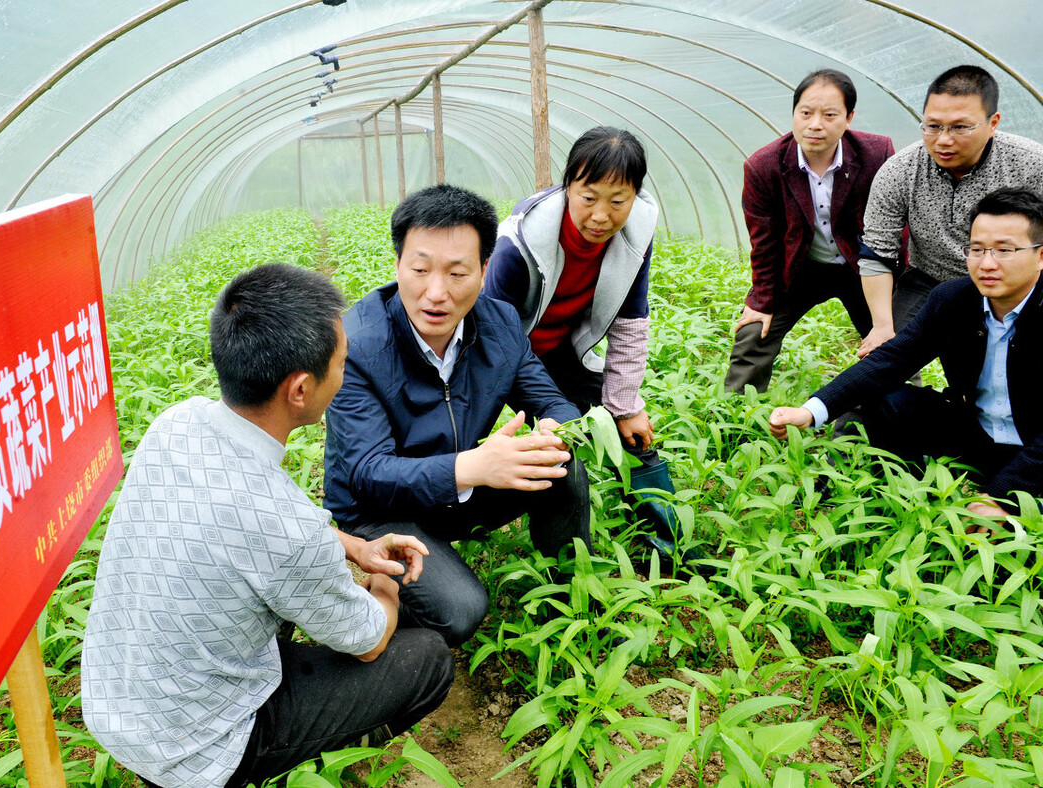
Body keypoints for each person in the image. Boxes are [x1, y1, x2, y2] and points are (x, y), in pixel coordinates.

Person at [81, 264, 453, 788]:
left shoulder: (177, 422)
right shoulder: (289, 532)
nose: (346, 374)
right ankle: (327, 755)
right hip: (199, 749)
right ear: (300, 389)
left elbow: (259, 527)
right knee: (427, 658)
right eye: (342, 363)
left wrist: (354, 546)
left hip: (117, 699)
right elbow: (368, 641)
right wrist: (384, 582)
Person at [324, 184, 589, 647]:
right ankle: (381, 589)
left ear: (485, 271)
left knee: (561, 466)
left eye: (457, 273)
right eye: (420, 269)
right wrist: (473, 467)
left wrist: (554, 429)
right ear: (398, 265)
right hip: (383, 510)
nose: (436, 293)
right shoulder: (357, 345)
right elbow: (366, 474)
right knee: (462, 611)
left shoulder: (500, 324)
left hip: (461, 488)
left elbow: (553, 402)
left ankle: (568, 603)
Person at [482, 126, 695, 565]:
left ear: (635, 196)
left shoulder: (637, 230)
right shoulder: (519, 242)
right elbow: (489, 333)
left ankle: (669, 546)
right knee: (546, 450)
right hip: (506, 353)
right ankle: (565, 565)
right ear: (567, 188)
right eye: (589, 197)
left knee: (635, 435)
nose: (601, 215)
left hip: (564, 347)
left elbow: (631, 322)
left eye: (618, 201)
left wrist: (624, 404)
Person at [768, 187, 1043, 523]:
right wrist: (811, 412)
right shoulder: (953, 299)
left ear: (1040, 256)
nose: (987, 263)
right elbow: (891, 360)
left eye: (1005, 250)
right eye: (977, 249)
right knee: (886, 396)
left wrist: (1002, 494)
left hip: (1035, 444)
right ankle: (911, 502)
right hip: (978, 433)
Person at [724, 69, 895, 393]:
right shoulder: (764, 166)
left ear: (848, 118)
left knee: (891, 339)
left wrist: (890, 294)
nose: (815, 124)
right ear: (794, 114)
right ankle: (736, 416)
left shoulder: (876, 155)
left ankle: (887, 413)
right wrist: (761, 300)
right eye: (805, 113)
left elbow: (893, 227)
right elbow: (764, 242)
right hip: (801, 268)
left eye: (829, 115)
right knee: (753, 331)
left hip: (864, 268)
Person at [857, 64, 1043, 358]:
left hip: (1012, 284)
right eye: (933, 126)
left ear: (993, 122)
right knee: (885, 358)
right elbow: (877, 254)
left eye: (960, 127)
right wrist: (881, 326)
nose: (943, 139)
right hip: (928, 279)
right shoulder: (900, 171)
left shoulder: (1032, 164)